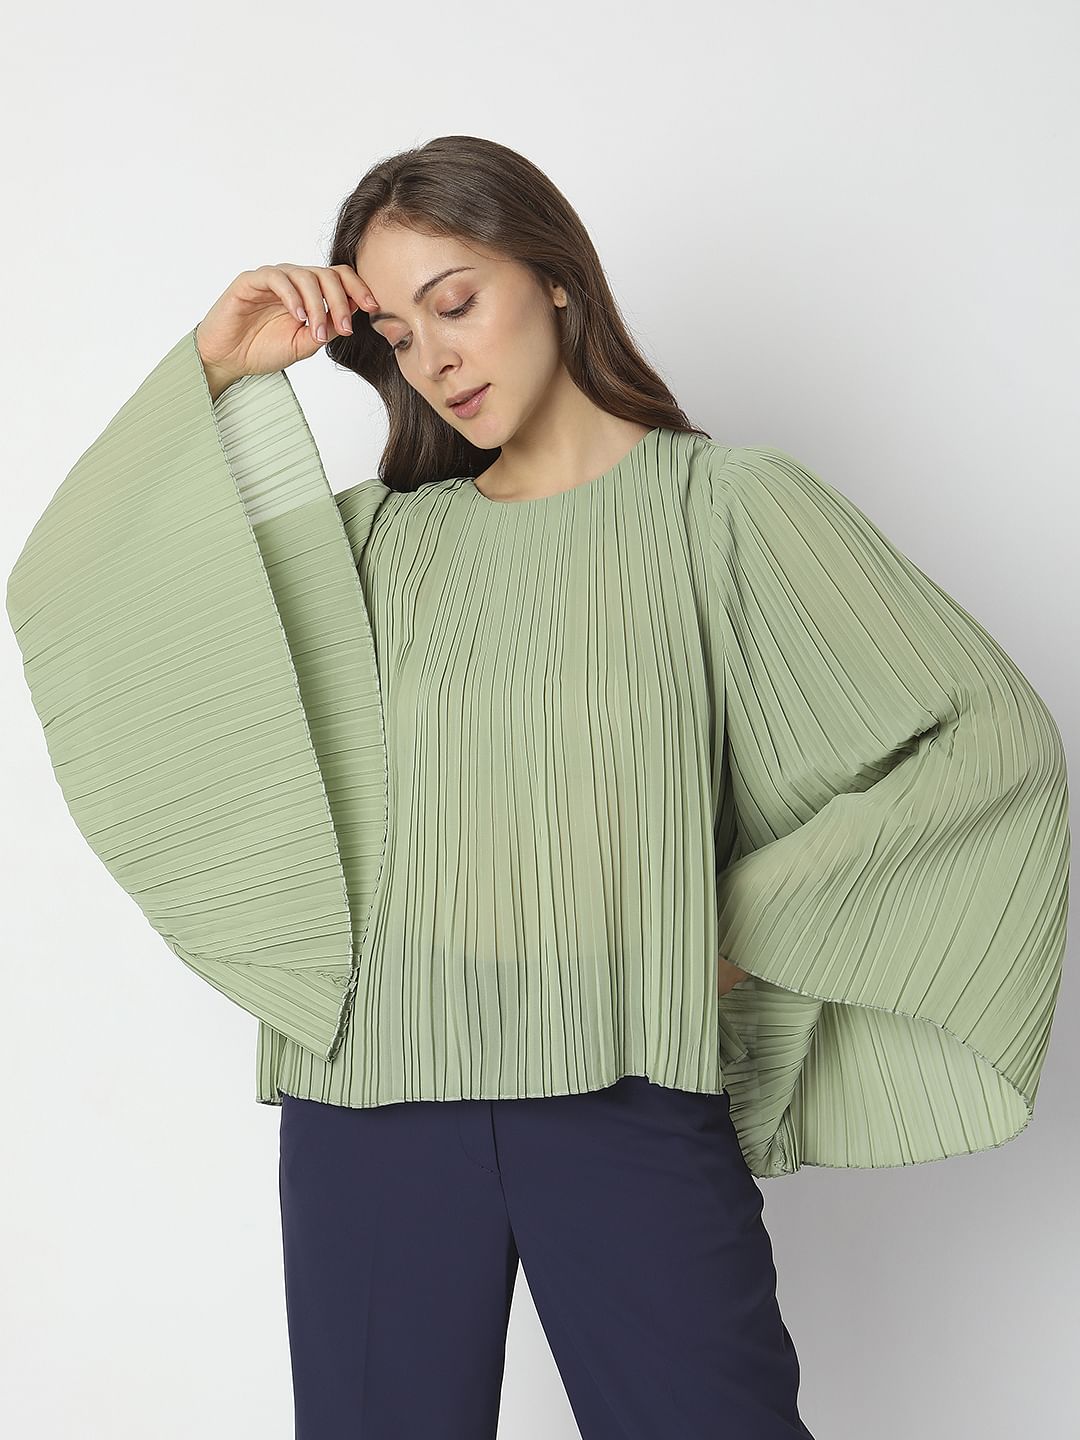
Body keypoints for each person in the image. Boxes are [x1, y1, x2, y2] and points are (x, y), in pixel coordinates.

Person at [6, 135, 1069, 1439]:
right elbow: (91, 610)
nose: (437, 359)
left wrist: (729, 925)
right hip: (371, 1102)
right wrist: (214, 371)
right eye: (400, 335)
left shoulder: (723, 509)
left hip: (624, 1091)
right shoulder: (374, 545)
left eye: (455, 302)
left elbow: (983, 742)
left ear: (556, 277)